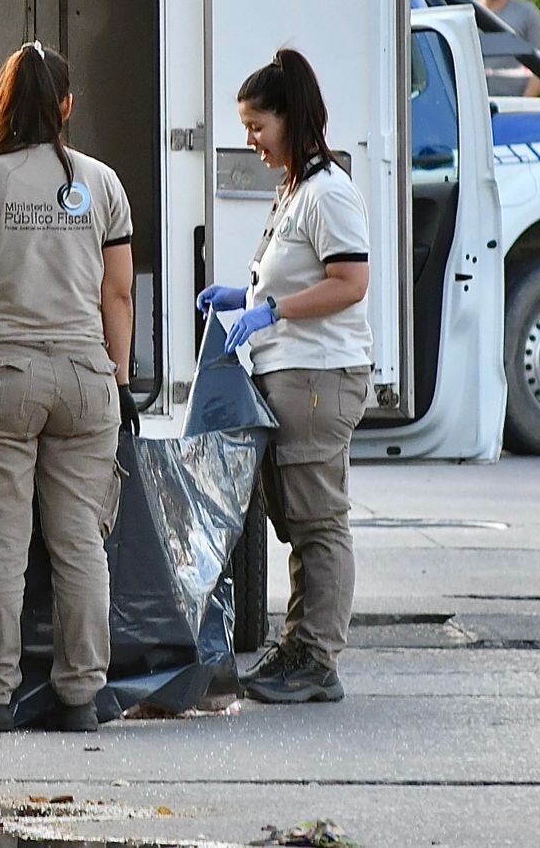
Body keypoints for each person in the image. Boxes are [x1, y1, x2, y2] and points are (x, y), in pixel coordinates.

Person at [0, 42, 137, 733]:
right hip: (84, 379)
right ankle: (80, 697)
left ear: (2, 106)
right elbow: (120, 293)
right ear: (66, 107)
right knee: (79, 543)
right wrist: (122, 378)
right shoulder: (102, 184)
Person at [198, 48, 370, 705]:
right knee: (297, 518)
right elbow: (288, 277)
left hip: (320, 373)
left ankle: (318, 660)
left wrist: (272, 311)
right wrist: (241, 298)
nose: (250, 140)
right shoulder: (295, 191)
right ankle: (299, 646)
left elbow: (350, 284)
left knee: (319, 520)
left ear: (290, 120)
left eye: (256, 127)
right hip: (292, 371)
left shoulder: (329, 193)